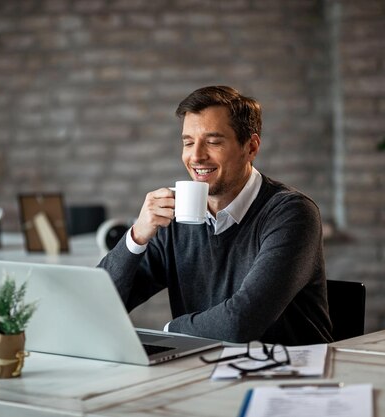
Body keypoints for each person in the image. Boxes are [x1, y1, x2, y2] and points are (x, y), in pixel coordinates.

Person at [98, 86, 332, 345]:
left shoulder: (292, 213)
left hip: (289, 376)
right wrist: (137, 236)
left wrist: (170, 332)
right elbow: (97, 305)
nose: (196, 156)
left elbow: (241, 322)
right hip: (206, 368)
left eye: (213, 142)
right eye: (188, 142)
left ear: (251, 147)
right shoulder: (175, 216)